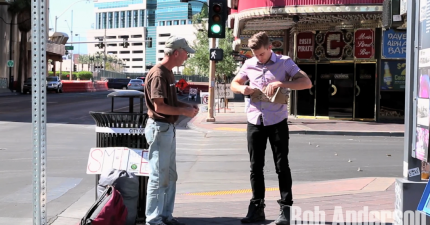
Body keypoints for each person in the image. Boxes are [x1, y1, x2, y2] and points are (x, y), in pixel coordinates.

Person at [230, 31, 312, 225]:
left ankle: (286, 210)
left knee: (281, 165)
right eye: (255, 55)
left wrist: (280, 83)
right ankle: (257, 208)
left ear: (269, 48)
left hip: (277, 121)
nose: (258, 58)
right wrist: (243, 89)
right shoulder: (249, 64)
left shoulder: (284, 62)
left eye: (261, 54)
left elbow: (306, 82)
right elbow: (234, 83)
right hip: (255, 121)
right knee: (255, 167)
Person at [144, 36, 199, 225]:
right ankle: (153, 219)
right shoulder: (159, 74)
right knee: (159, 176)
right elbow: (159, 107)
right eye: (186, 53)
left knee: (169, 175)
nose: (187, 57)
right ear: (176, 53)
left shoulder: (167, 73)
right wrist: (184, 110)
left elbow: (169, 103)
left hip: (166, 128)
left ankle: (165, 215)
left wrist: (186, 106)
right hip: (160, 128)